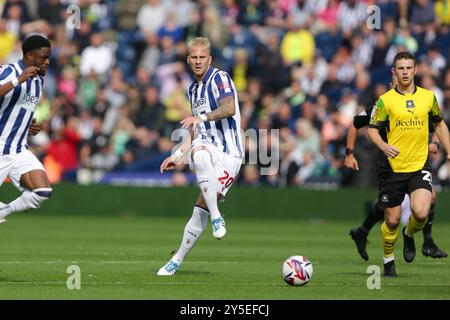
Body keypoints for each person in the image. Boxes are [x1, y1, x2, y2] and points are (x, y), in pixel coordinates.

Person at [157, 37, 244, 276]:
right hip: (207, 147)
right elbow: (197, 132)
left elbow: (229, 108)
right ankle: (177, 260)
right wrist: (177, 154)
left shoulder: (220, 78)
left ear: (210, 58)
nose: (197, 61)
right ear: (187, 59)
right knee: (200, 153)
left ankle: (213, 215)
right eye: (193, 57)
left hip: (230, 154)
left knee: (200, 206)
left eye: (201, 57)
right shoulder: (193, 89)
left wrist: (202, 117)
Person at [346, 77, 447, 261]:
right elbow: (354, 124)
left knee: (429, 197)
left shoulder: (417, 104)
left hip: (417, 162)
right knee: (390, 212)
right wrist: (349, 153)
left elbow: (435, 125)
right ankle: (364, 232)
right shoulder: (381, 106)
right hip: (390, 164)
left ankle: (428, 241)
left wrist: (434, 142)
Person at [368, 51, 450, 277]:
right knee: (392, 220)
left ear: (416, 70)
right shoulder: (385, 100)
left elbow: (439, 124)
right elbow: (372, 130)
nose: (405, 72)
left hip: (419, 166)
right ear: (394, 72)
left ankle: (410, 234)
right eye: (400, 69)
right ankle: (388, 260)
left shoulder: (428, 97)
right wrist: (384, 146)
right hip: (393, 168)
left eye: (408, 68)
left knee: (421, 213)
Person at [0, 34, 53, 224]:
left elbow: (14, 110)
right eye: (43, 57)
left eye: (48, 58)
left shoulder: (38, 81)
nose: (47, 62)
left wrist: (27, 126)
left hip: (18, 149)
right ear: (29, 56)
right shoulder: (9, 71)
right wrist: (17, 80)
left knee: (43, 191)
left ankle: (2, 211)